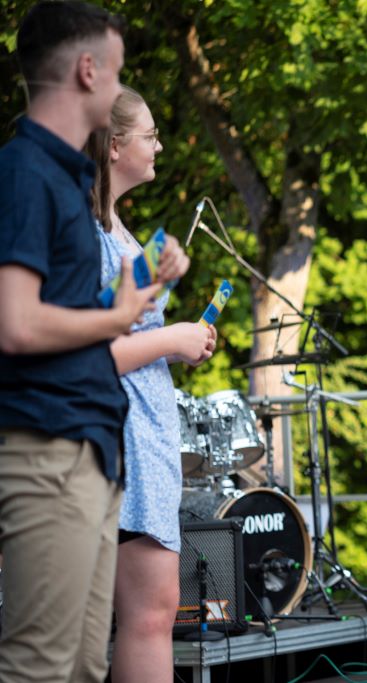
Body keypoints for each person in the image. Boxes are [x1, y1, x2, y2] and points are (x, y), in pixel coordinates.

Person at [0, 3, 183, 680]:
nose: (120, 89)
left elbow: (79, 316)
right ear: (87, 70)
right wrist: (128, 317)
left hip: (91, 449)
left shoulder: (64, 181)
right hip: (50, 446)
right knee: (41, 664)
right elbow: (17, 324)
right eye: (118, 71)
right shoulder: (25, 174)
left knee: (79, 663)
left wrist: (135, 292)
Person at [86, 85, 217, 683]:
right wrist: (172, 339)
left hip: (140, 443)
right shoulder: (85, 231)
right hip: (120, 444)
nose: (160, 146)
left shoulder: (113, 225)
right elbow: (86, 355)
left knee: (152, 613)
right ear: (114, 146)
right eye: (150, 136)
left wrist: (181, 338)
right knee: (148, 614)